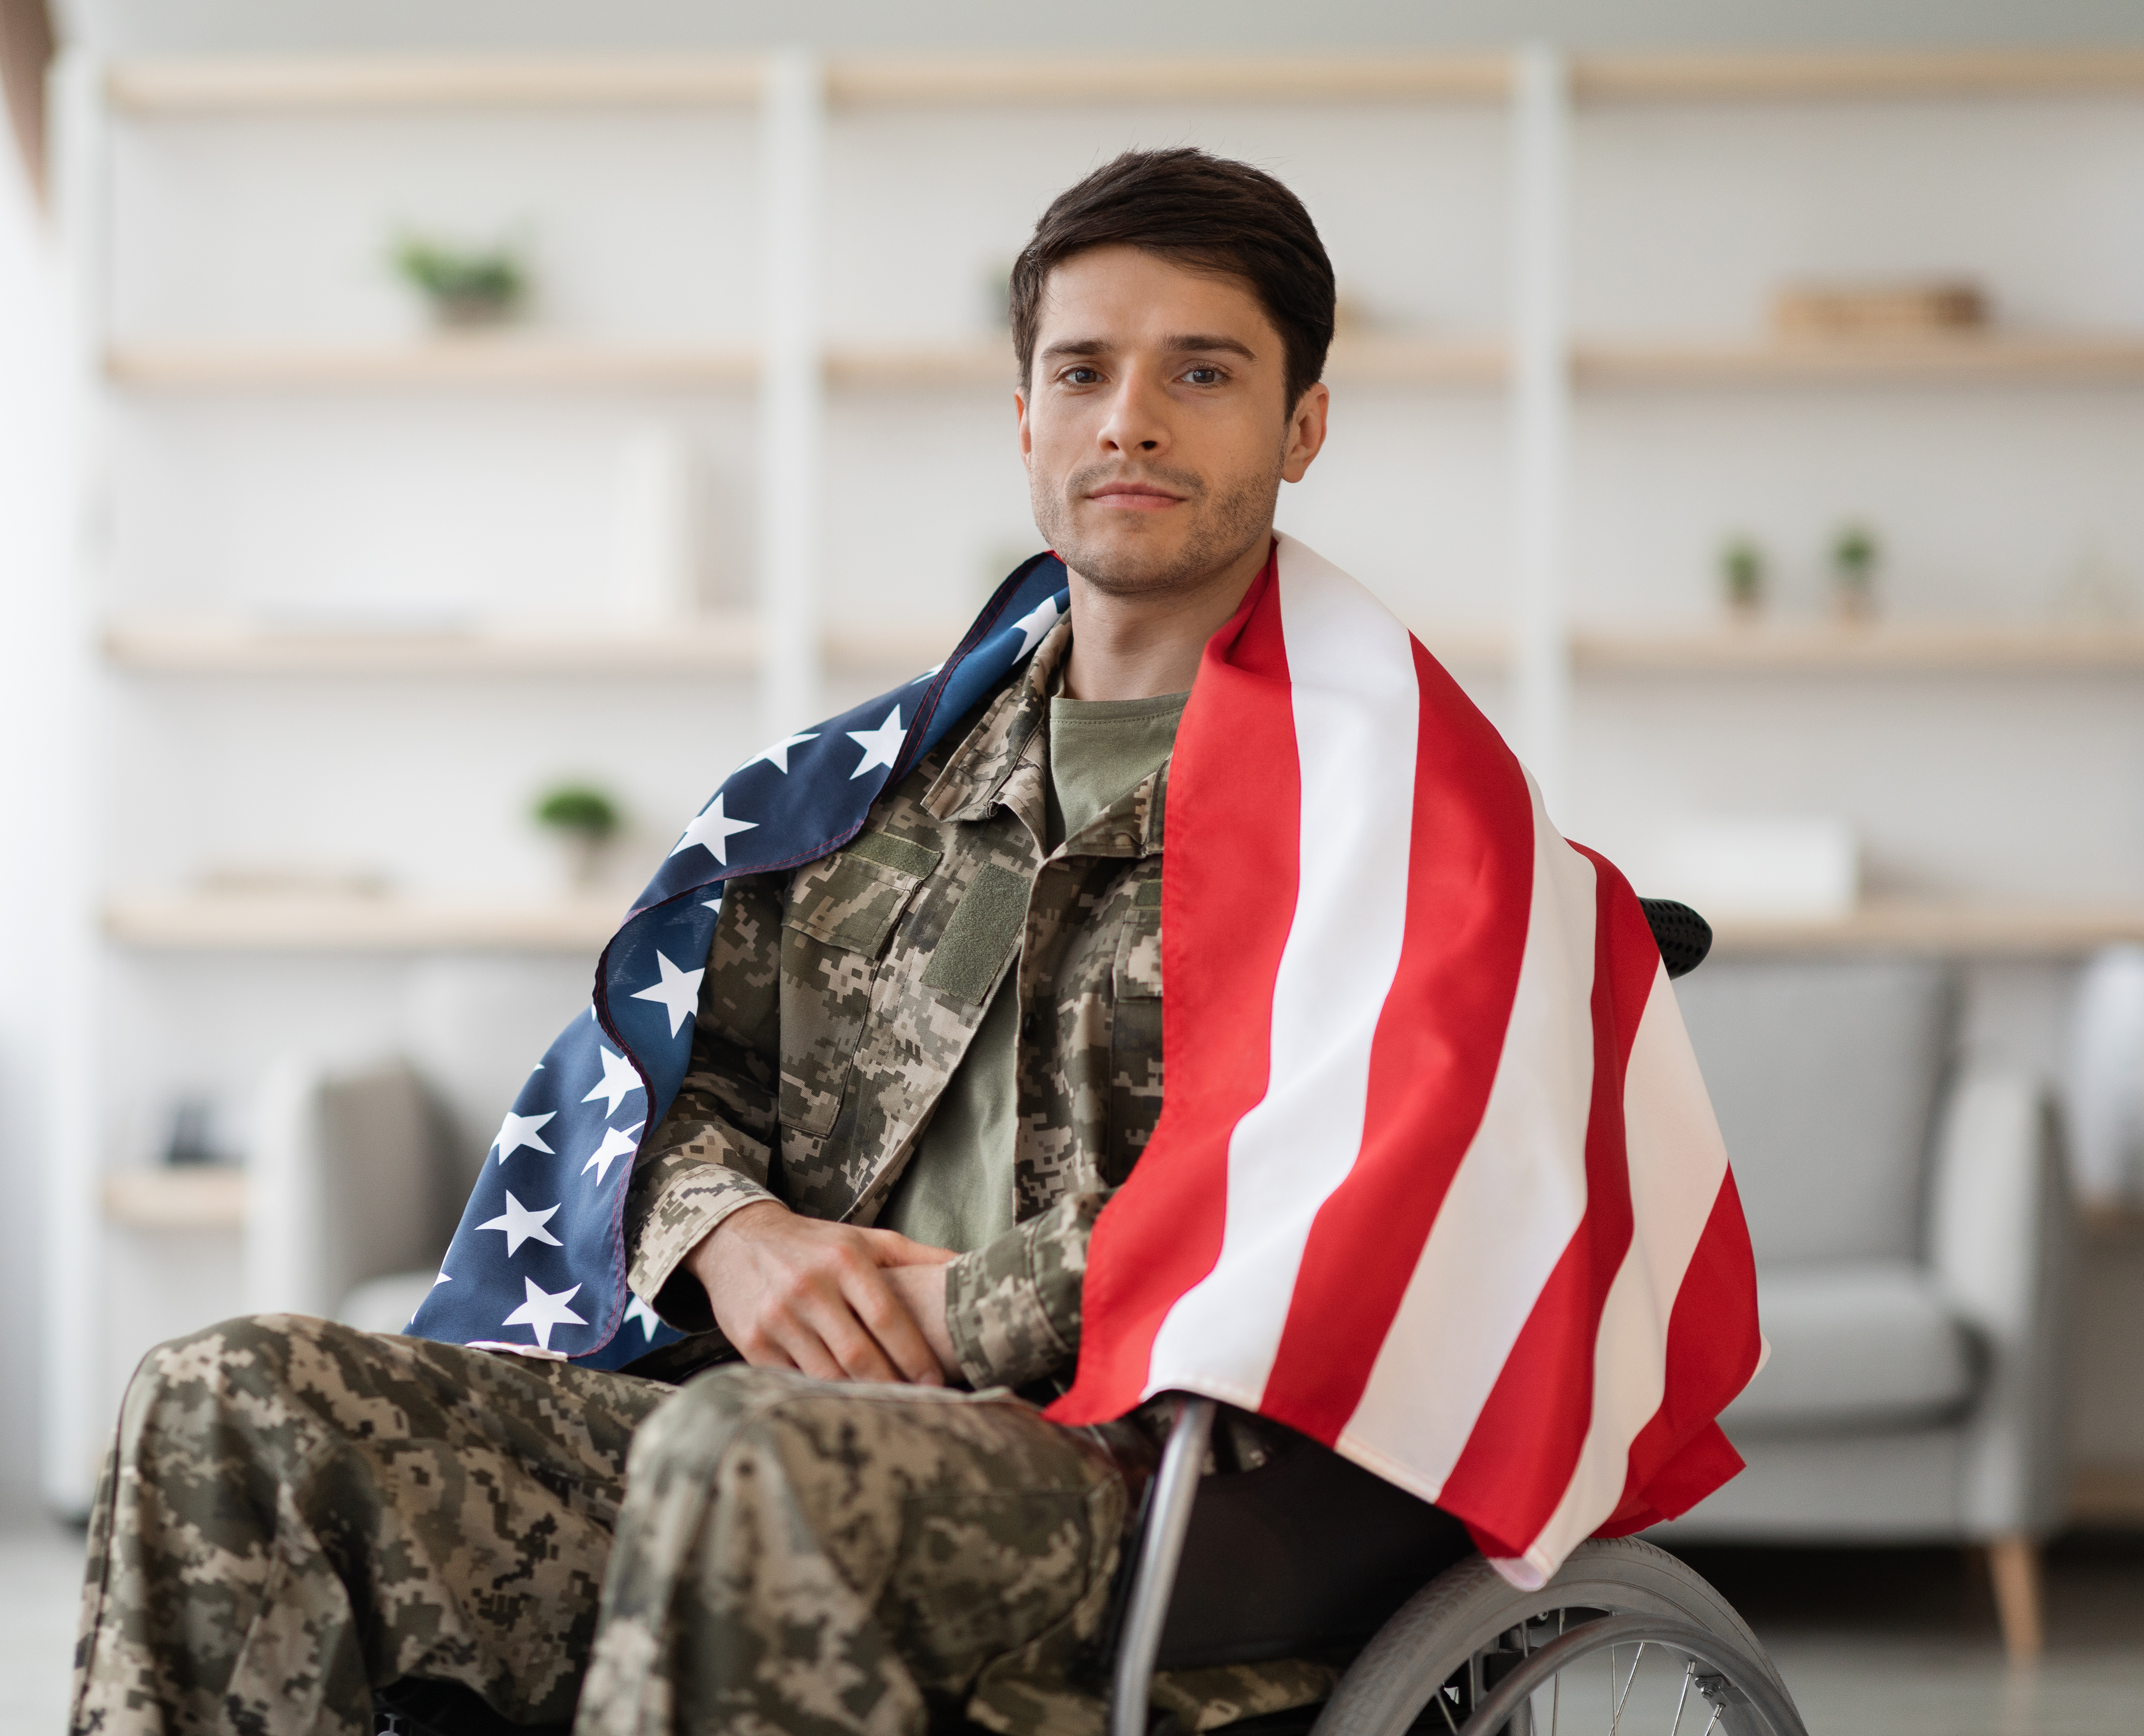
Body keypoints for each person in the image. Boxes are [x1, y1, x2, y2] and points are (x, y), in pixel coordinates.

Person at [72, 146, 1343, 1736]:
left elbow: (1330, 1202)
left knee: (735, 1448)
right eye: (1082, 369)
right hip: (747, 1415)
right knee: (225, 1399)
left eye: (1202, 371)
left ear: (1303, 424)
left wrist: (949, 1312)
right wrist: (730, 1234)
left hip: (1136, 1479)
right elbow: (675, 1088)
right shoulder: (849, 793)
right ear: (1024, 417)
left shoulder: (1371, 814)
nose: (1128, 418)